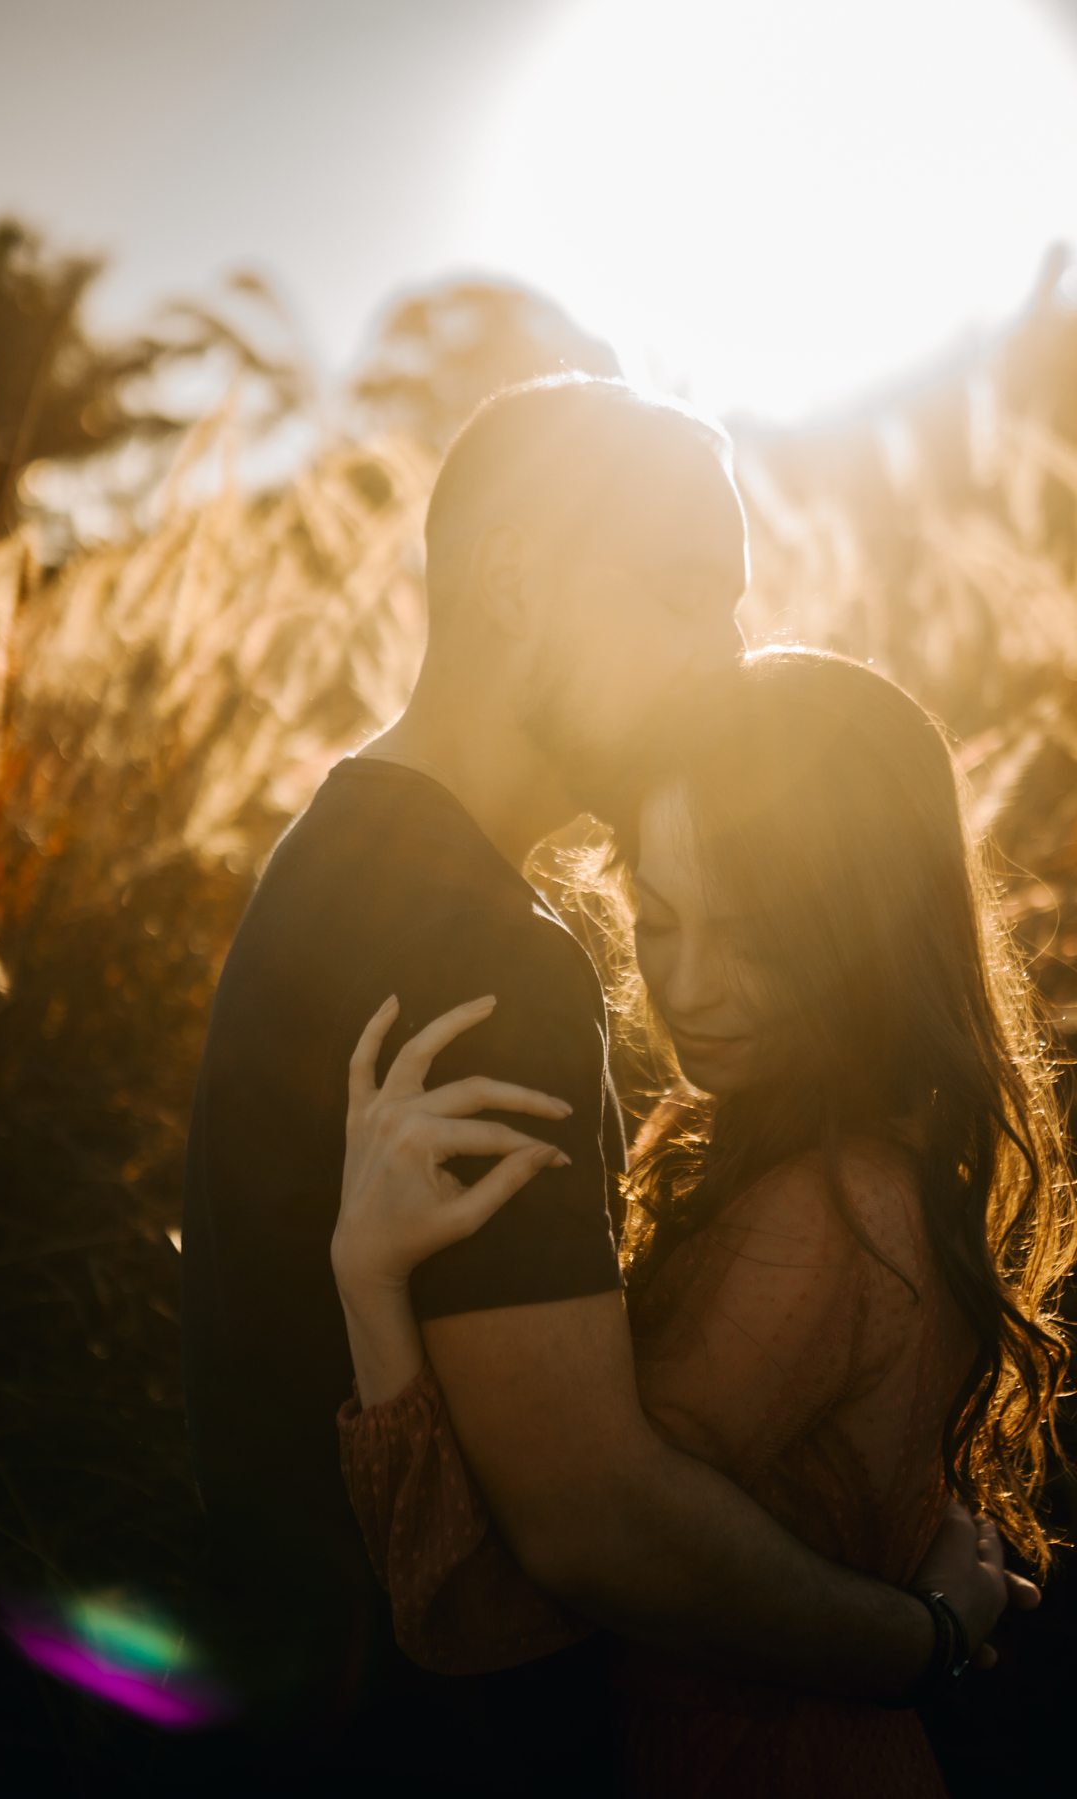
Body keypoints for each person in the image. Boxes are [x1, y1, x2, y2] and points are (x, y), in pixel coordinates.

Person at [181, 378, 1016, 1793]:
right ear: (516, 581)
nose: (722, 653)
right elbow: (593, 1522)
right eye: (685, 593)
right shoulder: (477, 949)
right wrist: (925, 1639)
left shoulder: (340, 853)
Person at [331, 647, 1074, 1796]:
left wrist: (370, 1288)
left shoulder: (829, 1209)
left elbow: (498, 1607)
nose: (693, 987)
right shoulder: (772, 1136)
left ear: (864, 927)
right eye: (661, 921)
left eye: (756, 937)